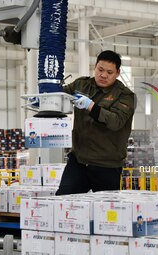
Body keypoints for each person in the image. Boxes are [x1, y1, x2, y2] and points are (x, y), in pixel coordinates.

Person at [56, 50, 136, 195]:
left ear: (117, 73)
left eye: (109, 72)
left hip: (106, 165)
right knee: (63, 202)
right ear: (95, 66)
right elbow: (59, 96)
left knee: (106, 211)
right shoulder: (81, 85)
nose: (103, 75)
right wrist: (46, 96)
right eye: (100, 69)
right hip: (79, 161)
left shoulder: (125, 96)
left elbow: (116, 122)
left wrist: (91, 106)